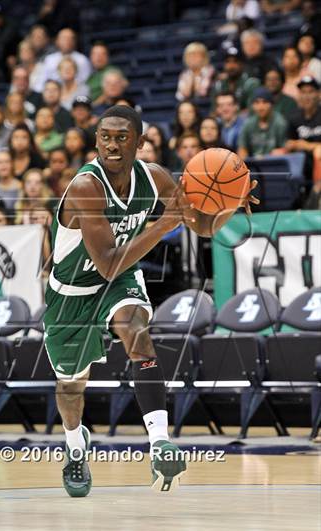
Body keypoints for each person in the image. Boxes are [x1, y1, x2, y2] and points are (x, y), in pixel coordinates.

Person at [42, 105, 259, 497]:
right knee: (71, 386)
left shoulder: (154, 176)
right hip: (73, 291)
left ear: (140, 143)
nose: (112, 144)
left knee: (137, 330)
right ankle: (75, 447)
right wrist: (163, 223)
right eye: (105, 136)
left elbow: (201, 224)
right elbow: (106, 263)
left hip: (120, 278)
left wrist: (229, 201)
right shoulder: (85, 187)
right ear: (96, 141)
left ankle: (159, 441)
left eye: (122, 137)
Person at [32, 28, 91, 93]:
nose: (67, 41)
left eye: (70, 39)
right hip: (51, 94)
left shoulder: (82, 60)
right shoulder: (49, 59)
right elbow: (40, 82)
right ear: (57, 41)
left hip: (75, 94)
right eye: (63, 38)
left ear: (75, 42)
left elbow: (86, 82)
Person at [285, 76, 321, 182]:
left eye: (310, 92)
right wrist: (292, 144)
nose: (307, 96)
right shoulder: (293, 117)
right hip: (301, 162)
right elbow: (289, 142)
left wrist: (308, 146)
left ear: (318, 94)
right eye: (303, 92)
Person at [238, 87, 288, 158]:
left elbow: (286, 148)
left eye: (265, 102)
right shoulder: (248, 124)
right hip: (253, 164)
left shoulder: (280, 123)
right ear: (252, 105)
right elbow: (242, 148)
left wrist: (282, 151)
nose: (261, 107)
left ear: (271, 104)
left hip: (274, 163)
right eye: (257, 102)